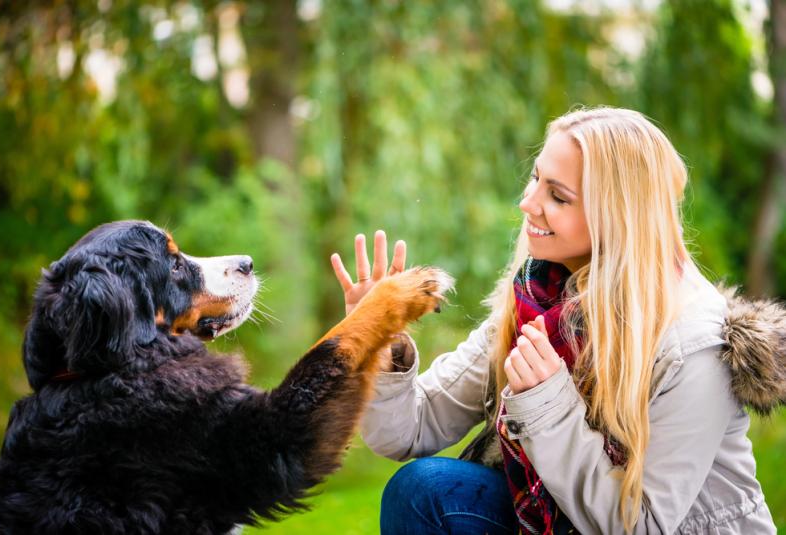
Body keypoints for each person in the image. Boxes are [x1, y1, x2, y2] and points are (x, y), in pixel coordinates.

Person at [330, 107, 783, 534]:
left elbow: (641, 524)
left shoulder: (693, 343)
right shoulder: (541, 295)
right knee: (423, 490)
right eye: (536, 178)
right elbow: (411, 429)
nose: (528, 203)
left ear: (618, 218)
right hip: (561, 520)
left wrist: (547, 404)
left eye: (557, 196)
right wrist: (379, 338)